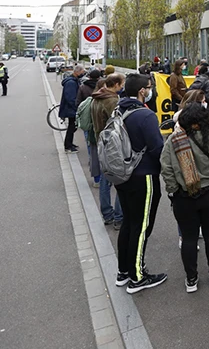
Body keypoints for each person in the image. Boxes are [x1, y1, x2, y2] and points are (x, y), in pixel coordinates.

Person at [161, 103, 209, 293]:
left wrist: (174, 189)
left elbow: (166, 168)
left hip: (184, 197)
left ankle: (191, 279)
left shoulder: (173, 140)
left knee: (189, 238)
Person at [114, 72, 169, 294]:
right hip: (143, 176)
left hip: (123, 174)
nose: (150, 90)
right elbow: (157, 149)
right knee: (142, 225)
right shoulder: (145, 116)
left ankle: (124, 271)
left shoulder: (119, 109)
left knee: (129, 222)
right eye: (149, 87)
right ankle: (138, 277)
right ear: (141, 91)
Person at [91, 73, 126, 230]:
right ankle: (119, 217)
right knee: (120, 180)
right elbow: (117, 124)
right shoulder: (112, 101)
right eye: (122, 84)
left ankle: (107, 214)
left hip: (101, 142)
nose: (123, 86)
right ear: (117, 84)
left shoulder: (96, 97)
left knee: (105, 182)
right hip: (112, 145)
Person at [59, 65, 85, 154]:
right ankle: (68, 146)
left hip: (70, 108)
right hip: (70, 109)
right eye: (82, 72)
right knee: (71, 127)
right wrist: (77, 108)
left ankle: (69, 144)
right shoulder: (71, 83)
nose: (83, 74)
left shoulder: (73, 81)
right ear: (77, 72)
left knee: (72, 127)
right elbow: (71, 98)